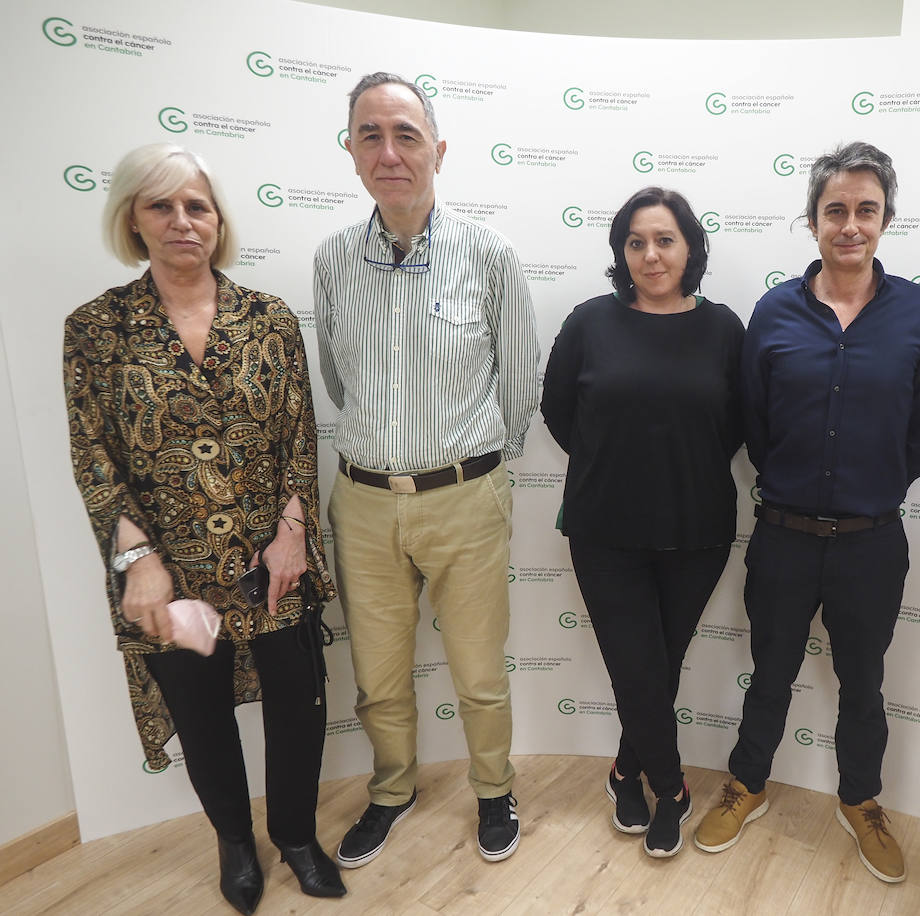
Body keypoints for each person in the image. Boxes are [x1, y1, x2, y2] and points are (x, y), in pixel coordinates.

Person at [63, 143, 343, 916]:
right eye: (162, 206)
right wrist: (138, 561)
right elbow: (94, 456)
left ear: (219, 221)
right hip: (171, 572)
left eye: (198, 206)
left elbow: (300, 437)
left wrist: (293, 533)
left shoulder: (270, 319)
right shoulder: (96, 330)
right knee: (203, 712)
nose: (182, 221)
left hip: (273, 566)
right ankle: (233, 842)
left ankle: (295, 835)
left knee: (298, 703)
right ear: (133, 219)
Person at [694, 141, 920, 884]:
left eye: (865, 210)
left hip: (873, 543)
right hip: (783, 536)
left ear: (885, 220)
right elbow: (756, 423)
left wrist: (867, 490)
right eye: (835, 209)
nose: (850, 224)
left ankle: (862, 799)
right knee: (769, 672)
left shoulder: (919, 314)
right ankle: (747, 783)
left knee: (864, 682)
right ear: (812, 221)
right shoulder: (774, 312)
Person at [315, 72, 539, 867]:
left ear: (438, 150)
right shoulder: (333, 259)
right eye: (370, 134)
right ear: (351, 152)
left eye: (406, 134)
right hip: (366, 504)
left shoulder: (490, 254)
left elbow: (519, 384)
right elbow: (339, 384)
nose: (389, 151)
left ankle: (492, 788)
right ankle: (391, 790)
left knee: (479, 671)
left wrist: (477, 466)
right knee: (377, 675)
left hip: (466, 497)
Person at [541, 187, 744, 858]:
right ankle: (671, 784)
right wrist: (616, 464)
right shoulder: (589, 322)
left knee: (659, 665)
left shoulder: (723, 329)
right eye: (636, 242)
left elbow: (737, 425)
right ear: (621, 252)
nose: (650, 254)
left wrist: (678, 467)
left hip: (699, 531)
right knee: (637, 666)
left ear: (690, 248)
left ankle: (625, 768)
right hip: (605, 529)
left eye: (664, 240)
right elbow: (559, 412)